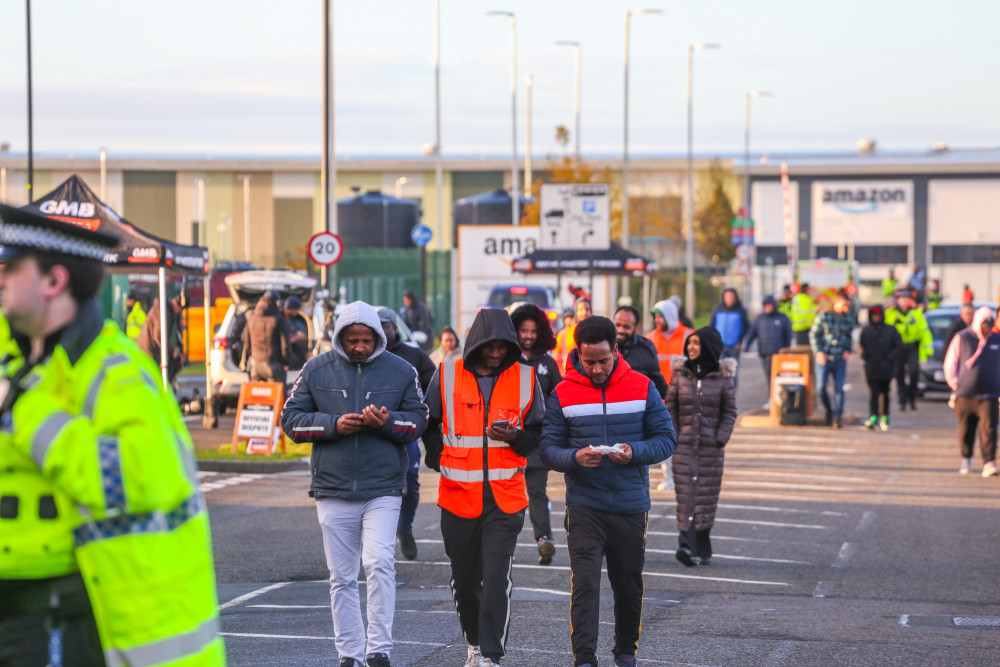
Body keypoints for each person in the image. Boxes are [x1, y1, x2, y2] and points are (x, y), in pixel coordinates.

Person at [0, 203, 224, 666]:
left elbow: (133, 479)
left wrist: (21, 407)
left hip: (67, 615)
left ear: (53, 281)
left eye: (10, 266)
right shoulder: (12, 360)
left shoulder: (117, 372)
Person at [281, 300, 429, 667]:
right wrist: (333, 425)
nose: (360, 346)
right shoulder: (315, 370)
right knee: (342, 576)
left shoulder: (401, 370)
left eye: (366, 339)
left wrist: (388, 422)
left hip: (383, 487)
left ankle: (378, 650)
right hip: (332, 487)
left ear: (379, 337)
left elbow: (420, 419)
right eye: (352, 340)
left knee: (379, 562)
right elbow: (290, 420)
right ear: (339, 337)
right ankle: (349, 654)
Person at [541, 316, 675, 667]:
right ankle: (584, 658)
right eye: (589, 362)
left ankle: (626, 652)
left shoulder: (643, 386)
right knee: (584, 584)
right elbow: (548, 449)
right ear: (577, 354)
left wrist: (635, 452)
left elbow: (666, 439)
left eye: (604, 360)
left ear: (616, 350)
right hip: (585, 505)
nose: (597, 369)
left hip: (630, 505)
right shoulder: (562, 393)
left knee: (628, 583)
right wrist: (574, 457)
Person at [422, 308, 544, 667]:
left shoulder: (526, 378)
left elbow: (538, 432)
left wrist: (517, 437)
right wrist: (436, 456)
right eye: (488, 346)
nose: (495, 353)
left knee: (495, 577)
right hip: (457, 494)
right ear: (475, 343)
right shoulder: (446, 375)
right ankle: (473, 640)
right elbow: (428, 422)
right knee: (464, 580)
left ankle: (491, 654)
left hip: (506, 499)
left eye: (502, 347)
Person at [666, 326, 737, 568]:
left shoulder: (723, 378)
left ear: (708, 347)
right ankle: (686, 545)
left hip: (711, 449)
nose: (691, 347)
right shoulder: (680, 375)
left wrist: (720, 438)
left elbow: (729, 411)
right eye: (690, 343)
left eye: (697, 343)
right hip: (683, 447)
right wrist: (674, 436)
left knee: (706, 497)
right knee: (685, 495)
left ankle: (702, 546)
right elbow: (670, 408)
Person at [374, 307, 436, 563]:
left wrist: (424, 412)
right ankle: (378, 542)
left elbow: (433, 384)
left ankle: (405, 527)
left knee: (410, 481)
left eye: (386, 325)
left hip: (405, 428)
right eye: (377, 326)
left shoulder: (414, 355)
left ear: (394, 327)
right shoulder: (367, 356)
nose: (382, 331)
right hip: (373, 430)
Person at [509, 303, 562, 565]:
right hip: (508, 438)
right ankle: (500, 543)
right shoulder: (506, 359)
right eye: (523, 330)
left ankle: (544, 540)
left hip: (538, 439)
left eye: (533, 331)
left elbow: (559, 400)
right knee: (508, 492)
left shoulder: (548, 364)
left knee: (537, 492)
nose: (528, 335)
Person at [944, 307, 1000, 477]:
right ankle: (966, 458)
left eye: (989, 326)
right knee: (966, 429)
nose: (987, 329)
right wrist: (956, 385)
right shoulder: (963, 337)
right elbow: (951, 363)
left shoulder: (997, 339)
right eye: (984, 325)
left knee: (989, 429)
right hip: (965, 395)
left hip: (989, 395)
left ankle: (988, 462)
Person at [809, 294, 855, 428]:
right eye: (844, 305)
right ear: (837, 303)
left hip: (840, 358)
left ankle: (837, 418)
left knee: (839, 389)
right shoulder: (824, 316)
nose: (846, 308)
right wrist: (818, 352)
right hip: (825, 358)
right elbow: (814, 335)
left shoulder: (848, 319)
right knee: (820, 388)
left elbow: (849, 336)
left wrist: (847, 350)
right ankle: (829, 410)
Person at [885, 293, 932, 411]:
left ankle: (911, 397)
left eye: (906, 299)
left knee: (914, 373)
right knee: (899, 374)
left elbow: (924, 331)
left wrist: (928, 349)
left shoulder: (916, 313)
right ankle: (902, 400)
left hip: (912, 347)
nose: (904, 302)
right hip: (898, 348)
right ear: (898, 301)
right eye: (902, 299)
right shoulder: (891, 313)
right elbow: (886, 331)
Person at [859, 305, 903, 431]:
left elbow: (898, 347)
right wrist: (864, 355)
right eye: (874, 315)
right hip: (871, 367)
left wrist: (890, 357)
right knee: (873, 393)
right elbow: (861, 346)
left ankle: (885, 417)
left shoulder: (890, 330)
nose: (876, 317)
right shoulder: (866, 330)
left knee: (885, 393)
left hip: (886, 368)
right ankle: (873, 416)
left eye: (878, 315)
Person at [743, 295, 793, 404]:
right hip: (764, 353)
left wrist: (787, 350)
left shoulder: (782, 318)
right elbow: (752, 333)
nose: (767, 307)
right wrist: (747, 346)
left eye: (769, 305)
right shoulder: (760, 319)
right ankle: (772, 399)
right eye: (765, 305)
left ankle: (780, 399)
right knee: (769, 377)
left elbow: (788, 335)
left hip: (779, 355)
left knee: (777, 377)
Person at [614, 305, 668, 399]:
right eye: (617, 325)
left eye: (626, 327)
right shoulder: (603, 346)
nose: (621, 330)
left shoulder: (646, 352)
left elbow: (659, 387)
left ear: (636, 327)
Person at [242, 291, 291, 387]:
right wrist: (286, 362)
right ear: (275, 302)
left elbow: (247, 342)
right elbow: (285, 345)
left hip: (256, 365)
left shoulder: (251, 318)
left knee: (257, 397)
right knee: (276, 397)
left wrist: (246, 359)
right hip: (274, 365)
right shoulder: (279, 319)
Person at [136, 294, 183, 384]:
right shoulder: (165, 313)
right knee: (152, 383)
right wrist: (172, 351)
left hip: (145, 350)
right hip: (149, 353)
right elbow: (158, 337)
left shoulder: (162, 310)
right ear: (179, 306)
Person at [709, 288, 750, 390]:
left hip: (734, 346)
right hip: (720, 347)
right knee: (719, 372)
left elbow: (746, 327)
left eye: (731, 297)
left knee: (732, 373)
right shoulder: (717, 310)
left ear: (735, 298)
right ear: (723, 298)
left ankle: (731, 397)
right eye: (727, 297)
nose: (729, 299)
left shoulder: (741, 311)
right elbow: (712, 327)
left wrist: (740, 341)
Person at [646, 300, 690, 388]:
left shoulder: (689, 336)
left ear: (669, 317)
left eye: (659, 317)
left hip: (681, 390)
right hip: (657, 393)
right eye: (655, 317)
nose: (656, 320)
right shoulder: (650, 337)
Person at [554, 297, 592, 371]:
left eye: (587, 309)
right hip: (567, 376)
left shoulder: (597, 333)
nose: (584, 313)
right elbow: (556, 358)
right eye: (581, 310)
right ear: (576, 312)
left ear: (591, 312)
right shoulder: (564, 334)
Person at [284, 294, 311, 369]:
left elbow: (303, 334)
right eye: (296, 309)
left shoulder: (297, 322)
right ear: (291, 308)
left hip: (294, 359)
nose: (297, 312)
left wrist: (297, 337)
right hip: (284, 360)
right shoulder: (280, 320)